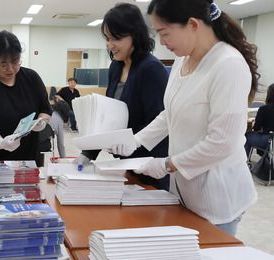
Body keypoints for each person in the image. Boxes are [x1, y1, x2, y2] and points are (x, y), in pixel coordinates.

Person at [112, 0, 259, 235]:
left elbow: (222, 142)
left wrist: (167, 164)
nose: (161, 41)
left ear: (192, 24)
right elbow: (170, 113)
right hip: (184, 190)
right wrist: (136, 141)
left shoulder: (228, 65)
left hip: (218, 196)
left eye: (164, 32)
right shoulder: (183, 59)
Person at [79, 3, 170, 190]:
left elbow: (158, 122)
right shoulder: (116, 67)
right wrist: (88, 154)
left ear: (134, 35)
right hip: (125, 163)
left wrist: (132, 143)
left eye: (115, 39)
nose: (109, 45)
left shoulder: (151, 69)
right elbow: (105, 117)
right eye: (107, 38)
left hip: (149, 166)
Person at [0, 30, 52, 161]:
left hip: (29, 155)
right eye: (3, 64)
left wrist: (42, 121)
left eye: (15, 61)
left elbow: (45, 108)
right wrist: (1, 142)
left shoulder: (31, 78)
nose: (10, 69)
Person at [245, 83, 274, 156]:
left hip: (268, 139)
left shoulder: (264, 109)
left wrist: (253, 123)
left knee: (247, 137)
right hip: (270, 140)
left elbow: (257, 127)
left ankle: (245, 162)